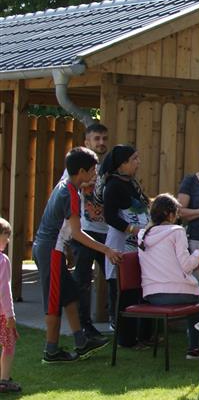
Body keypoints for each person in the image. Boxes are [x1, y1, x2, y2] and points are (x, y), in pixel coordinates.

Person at [33, 147, 120, 362]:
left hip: (52, 250)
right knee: (53, 302)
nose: (94, 175)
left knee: (70, 295)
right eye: (92, 171)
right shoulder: (69, 193)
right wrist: (106, 249)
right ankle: (51, 351)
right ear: (81, 171)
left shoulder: (66, 186)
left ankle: (81, 342)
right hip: (51, 251)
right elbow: (77, 233)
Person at [137, 194, 199, 360]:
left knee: (198, 298)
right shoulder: (177, 231)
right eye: (176, 214)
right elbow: (187, 266)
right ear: (170, 215)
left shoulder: (143, 235)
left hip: (152, 295)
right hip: (178, 293)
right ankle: (197, 345)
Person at [99, 145, 152, 349]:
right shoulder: (112, 186)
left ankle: (144, 335)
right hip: (121, 245)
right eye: (134, 159)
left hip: (137, 246)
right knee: (125, 295)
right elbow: (110, 216)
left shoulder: (131, 183)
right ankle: (127, 340)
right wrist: (133, 230)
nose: (138, 162)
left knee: (140, 290)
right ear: (122, 164)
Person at [69, 122, 110, 341]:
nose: (101, 143)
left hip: (106, 231)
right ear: (87, 142)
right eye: (96, 139)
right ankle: (85, 327)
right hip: (84, 231)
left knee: (113, 276)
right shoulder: (76, 167)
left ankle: (117, 321)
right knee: (82, 280)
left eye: (104, 138)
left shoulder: (107, 168)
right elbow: (67, 192)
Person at [0, 218, 20, 393]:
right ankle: (4, 380)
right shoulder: (3, 260)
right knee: (8, 343)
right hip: (2, 314)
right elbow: (4, 290)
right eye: (6, 236)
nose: (7, 240)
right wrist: (10, 315)